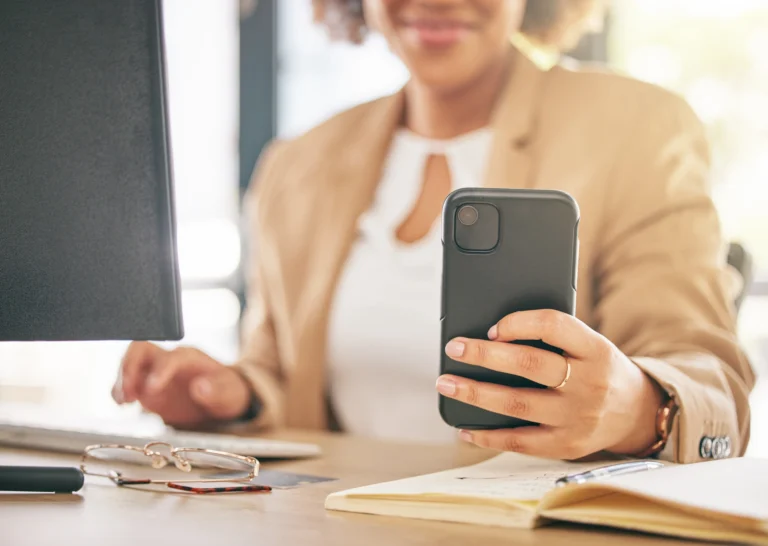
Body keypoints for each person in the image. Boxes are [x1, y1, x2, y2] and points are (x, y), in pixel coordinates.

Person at [112, 0, 755, 463]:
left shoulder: (636, 128)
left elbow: (714, 389)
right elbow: (282, 373)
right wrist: (233, 395)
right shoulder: (299, 162)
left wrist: (637, 407)